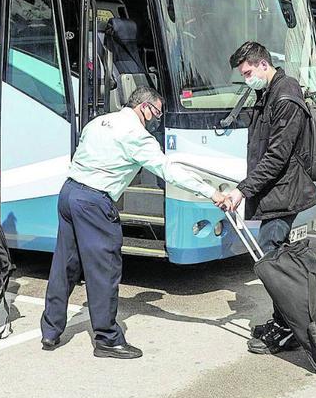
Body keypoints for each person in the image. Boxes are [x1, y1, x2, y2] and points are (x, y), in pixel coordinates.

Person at [40, 86, 225, 359]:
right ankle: (107, 339)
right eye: (157, 114)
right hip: (94, 201)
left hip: (69, 192)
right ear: (145, 108)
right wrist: (212, 192)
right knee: (104, 270)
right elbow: (168, 170)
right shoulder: (136, 135)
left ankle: (50, 330)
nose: (156, 121)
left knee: (65, 264)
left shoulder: (98, 122)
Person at [223, 41, 316, 356]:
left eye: (248, 72)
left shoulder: (285, 96)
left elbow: (277, 156)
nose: (247, 78)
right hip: (276, 192)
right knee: (277, 262)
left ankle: (290, 327)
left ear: (263, 64)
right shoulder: (270, 92)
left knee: (274, 264)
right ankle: (284, 321)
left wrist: (242, 190)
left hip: (283, 194)